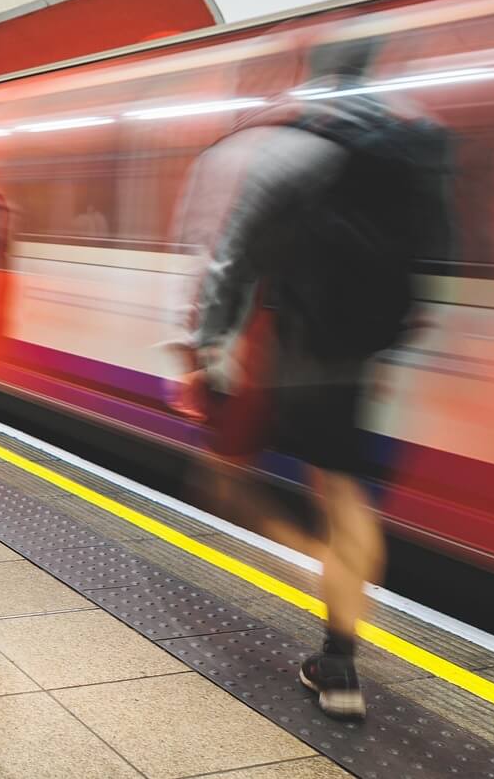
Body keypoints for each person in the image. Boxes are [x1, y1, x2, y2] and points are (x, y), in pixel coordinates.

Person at [171, 37, 451, 720]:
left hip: (296, 354)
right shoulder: (411, 146)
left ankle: (317, 580)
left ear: (314, 77)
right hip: (367, 357)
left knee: (224, 482)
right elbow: (436, 258)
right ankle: (341, 657)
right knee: (349, 497)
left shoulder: (292, 150)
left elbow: (234, 260)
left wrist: (207, 347)